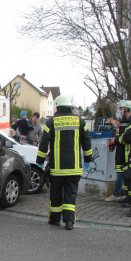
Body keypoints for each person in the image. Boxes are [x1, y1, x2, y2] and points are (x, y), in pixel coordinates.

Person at [36, 95, 93, 230]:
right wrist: (88, 160)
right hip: (74, 168)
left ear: (57, 107)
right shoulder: (80, 121)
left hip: (57, 168)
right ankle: (69, 221)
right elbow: (87, 142)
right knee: (71, 194)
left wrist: (40, 160)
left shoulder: (52, 122)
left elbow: (44, 142)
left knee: (55, 193)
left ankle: (55, 219)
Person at [106, 100, 131, 202]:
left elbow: (125, 137)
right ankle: (124, 196)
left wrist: (117, 129)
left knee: (122, 175)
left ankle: (118, 194)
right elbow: (121, 136)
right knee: (120, 173)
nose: (120, 111)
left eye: (121, 109)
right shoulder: (125, 121)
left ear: (127, 109)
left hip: (127, 154)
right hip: (121, 152)